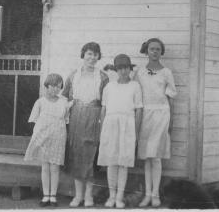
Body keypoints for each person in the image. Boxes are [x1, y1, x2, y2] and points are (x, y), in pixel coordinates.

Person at [62, 42, 109, 207]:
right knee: (76, 154)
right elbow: (65, 97)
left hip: (94, 117)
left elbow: (106, 101)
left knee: (90, 155)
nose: (92, 57)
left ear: (98, 57)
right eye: (89, 53)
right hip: (76, 117)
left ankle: (89, 196)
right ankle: (78, 195)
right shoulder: (73, 75)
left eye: (96, 54)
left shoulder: (103, 77)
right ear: (83, 55)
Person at [134, 38, 177, 207]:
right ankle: (147, 194)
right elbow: (135, 96)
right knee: (147, 157)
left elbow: (171, 98)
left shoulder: (166, 72)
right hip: (145, 115)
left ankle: (156, 194)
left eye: (158, 49)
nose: (154, 52)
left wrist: (171, 120)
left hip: (161, 114)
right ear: (146, 51)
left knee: (156, 157)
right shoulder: (139, 72)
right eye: (152, 49)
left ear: (161, 52)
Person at [98, 54, 144, 208]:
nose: (123, 71)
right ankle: (111, 196)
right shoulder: (109, 86)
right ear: (116, 70)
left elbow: (138, 110)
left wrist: (136, 132)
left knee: (123, 162)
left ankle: (119, 197)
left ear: (130, 69)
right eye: (120, 68)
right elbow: (103, 109)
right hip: (111, 125)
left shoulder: (135, 86)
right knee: (112, 161)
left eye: (126, 68)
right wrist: (102, 129)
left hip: (127, 125)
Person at [24, 73, 72, 207]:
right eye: (53, 86)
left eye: (59, 87)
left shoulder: (63, 102)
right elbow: (33, 121)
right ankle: (45, 195)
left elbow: (66, 120)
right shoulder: (40, 102)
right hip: (44, 138)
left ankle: (53, 196)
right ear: (47, 86)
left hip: (58, 137)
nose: (56, 89)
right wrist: (38, 137)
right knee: (45, 166)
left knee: (55, 167)